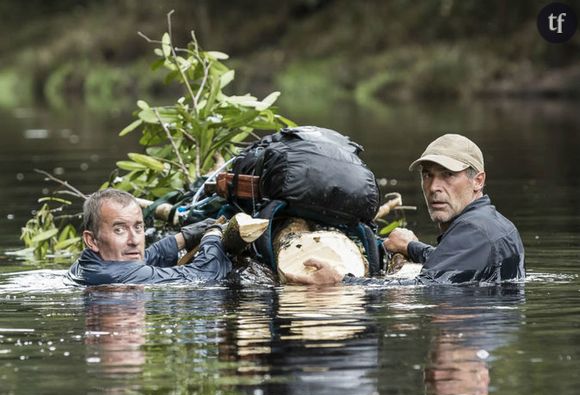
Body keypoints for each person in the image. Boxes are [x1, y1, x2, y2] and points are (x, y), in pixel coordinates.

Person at [285, 134, 525, 285]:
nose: (434, 187)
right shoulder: (493, 223)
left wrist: (340, 281)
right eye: (427, 175)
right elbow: (455, 265)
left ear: (478, 181)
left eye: (448, 175)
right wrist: (410, 247)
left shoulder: (473, 230)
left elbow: (424, 289)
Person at [68, 188, 231, 285]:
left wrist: (187, 236)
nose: (134, 240)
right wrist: (214, 234)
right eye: (119, 230)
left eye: (138, 227)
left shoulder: (85, 264)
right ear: (91, 240)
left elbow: (146, 258)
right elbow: (205, 275)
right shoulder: (117, 276)